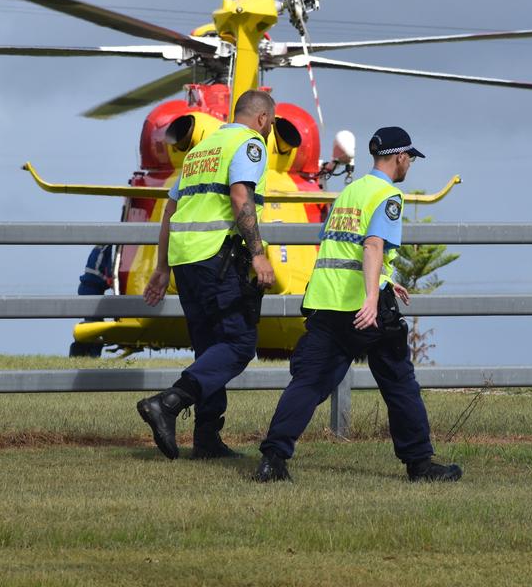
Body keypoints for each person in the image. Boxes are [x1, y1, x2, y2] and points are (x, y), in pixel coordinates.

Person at [254, 126, 462, 483]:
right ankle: (420, 465)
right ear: (400, 157)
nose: (409, 164)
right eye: (409, 158)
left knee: (308, 383)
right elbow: (371, 246)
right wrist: (370, 296)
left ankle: (273, 458)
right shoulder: (388, 196)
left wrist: (384, 279)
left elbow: (338, 246)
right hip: (363, 306)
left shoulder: (349, 193)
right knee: (399, 382)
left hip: (326, 301)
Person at [139, 90, 277, 460]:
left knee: (209, 348)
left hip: (186, 262)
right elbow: (240, 197)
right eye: (271, 125)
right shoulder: (249, 143)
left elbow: (170, 210)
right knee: (238, 345)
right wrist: (259, 255)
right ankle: (167, 404)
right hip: (217, 258)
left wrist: (162, 266)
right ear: (263, 119)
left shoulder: (202, 149)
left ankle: (207, 438)